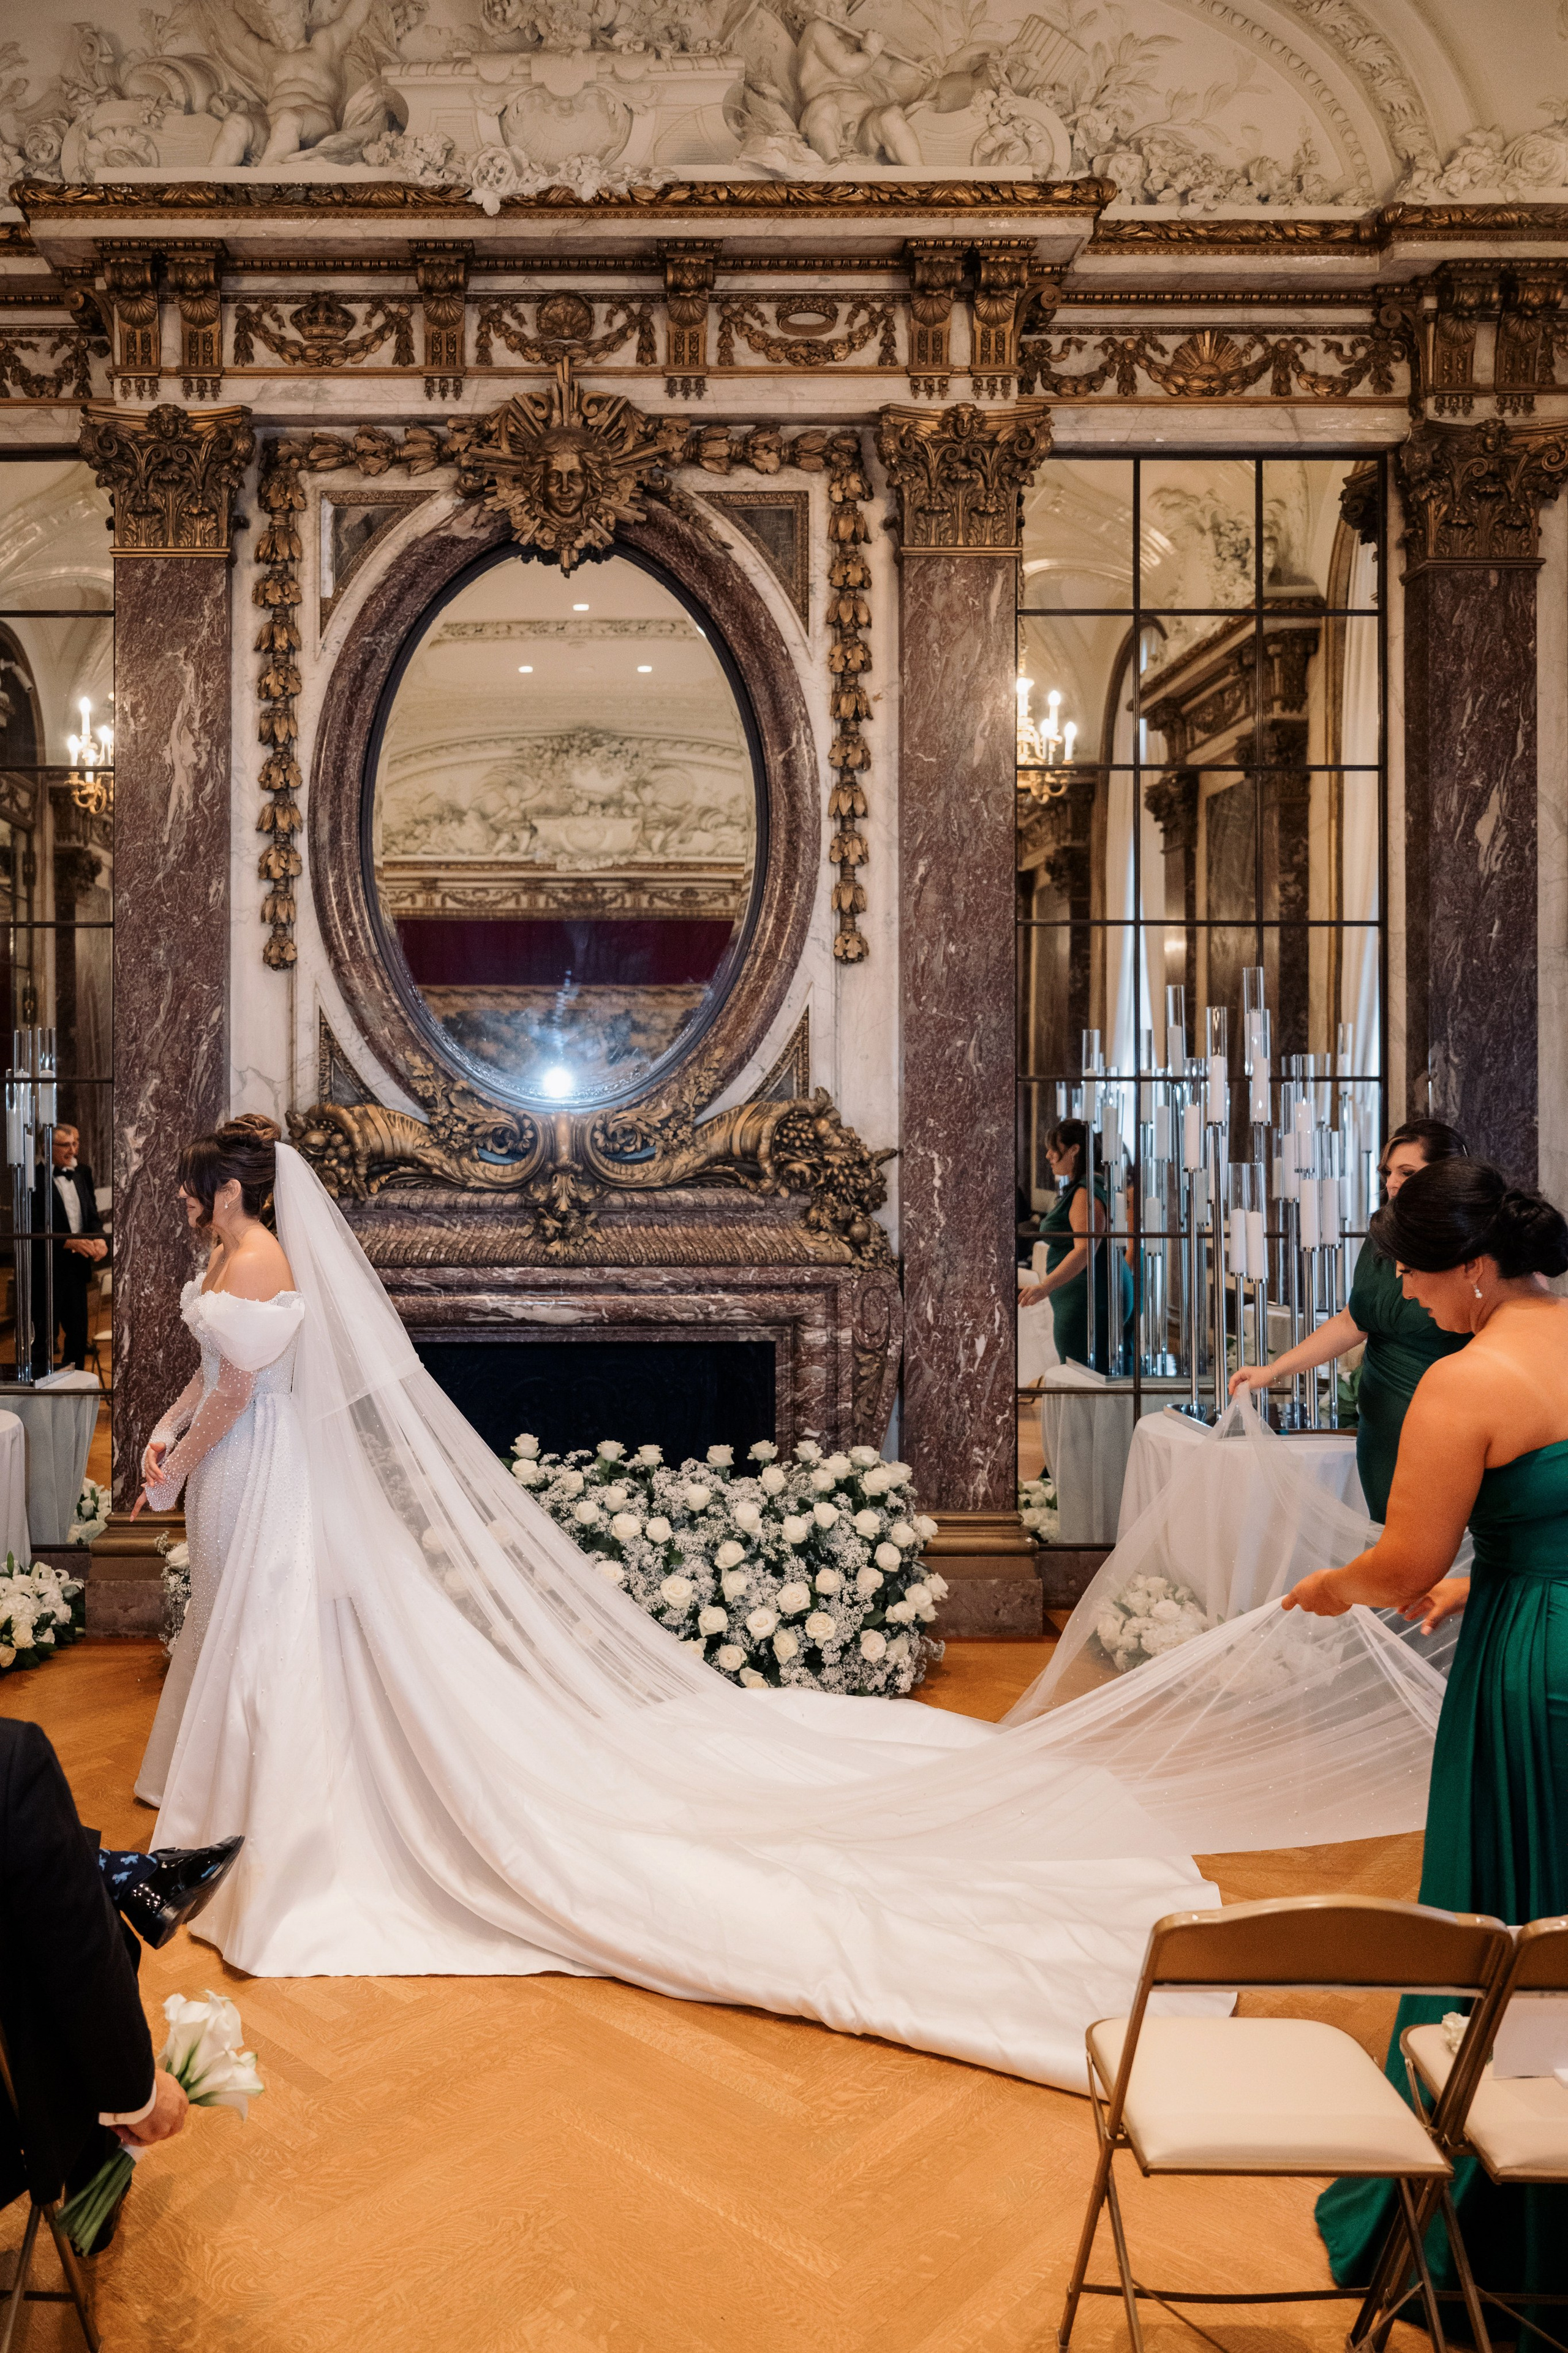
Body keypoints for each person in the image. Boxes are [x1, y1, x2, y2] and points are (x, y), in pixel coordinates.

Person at [1281, 1157, 1568, 2323]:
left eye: (1416, 1266)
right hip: (1532, 1607)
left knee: (1507, 1911)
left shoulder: (1467, 1381)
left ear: (1482, 1271)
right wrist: (1481, 1582)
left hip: (1531, 1672)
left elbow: (1404, 1560)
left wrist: (1338, 1588)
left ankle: (1497, 2215)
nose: (1404, 1285)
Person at [1229, 1117, 1471, 1518]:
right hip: (1380, 1418)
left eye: (1407, 1172)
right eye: (1388, 1172)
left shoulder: (1470, 1244)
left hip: (1446, 1415)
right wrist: (1273, 1371)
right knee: (1388, 1532)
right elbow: (1351, 1321)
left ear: (1446, 1173)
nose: (1392, 1182)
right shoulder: (1382, 1236)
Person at [0, 1717, 186, 2226]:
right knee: (103, 1934)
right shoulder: (13, 1754)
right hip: (11, 2127)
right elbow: (81, 1964)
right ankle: (122, 1875)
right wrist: (139, 2097)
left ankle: (114, 1871)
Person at [1019, 1119, 1134, 1373]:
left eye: (1054, 1148)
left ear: (1074, 1150)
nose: (1048, 1155)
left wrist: (1045, 1287)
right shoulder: (1096, 1185)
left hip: (1086, 1300)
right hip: (1090, 1293)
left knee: (1080, 1377)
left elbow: (1085, 1249)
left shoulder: (1086, 1192)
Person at [31, 1124, 107, 1373]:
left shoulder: (83, 1172)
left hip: (77, 1269)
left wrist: (99, 1239)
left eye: (76, 1143)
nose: (73, 1150)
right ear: (47, 1147)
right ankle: (41, 1396)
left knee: (77, 1335)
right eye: (66, 1145)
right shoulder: (32, 1176)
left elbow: (92, 1216)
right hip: (47, 1269)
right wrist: (67, 1240)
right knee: (43, 1338)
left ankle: (75, 1393)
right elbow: (31, 1225)